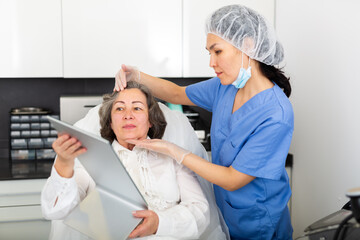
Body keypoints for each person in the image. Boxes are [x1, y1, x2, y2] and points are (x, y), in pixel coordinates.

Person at [114, 4, 294, 240]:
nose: (211, 62)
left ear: (248, 45)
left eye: (217, 52)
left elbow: (232, 179)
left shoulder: (276, 114)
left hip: (258, 222)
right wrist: (136, 76)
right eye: (209, 53)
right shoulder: (225, 87)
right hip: (224, 215)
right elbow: (178, 94)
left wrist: (174, 151)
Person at [41, 81, 211, 239]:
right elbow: (55, 211)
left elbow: (201, 212)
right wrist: (64, 163)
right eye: (120, 109)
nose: (128, 115)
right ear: (110, 122)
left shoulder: (172, 158)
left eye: (137, 108)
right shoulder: (94, 161)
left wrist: (159, 223)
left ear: (150, 120)